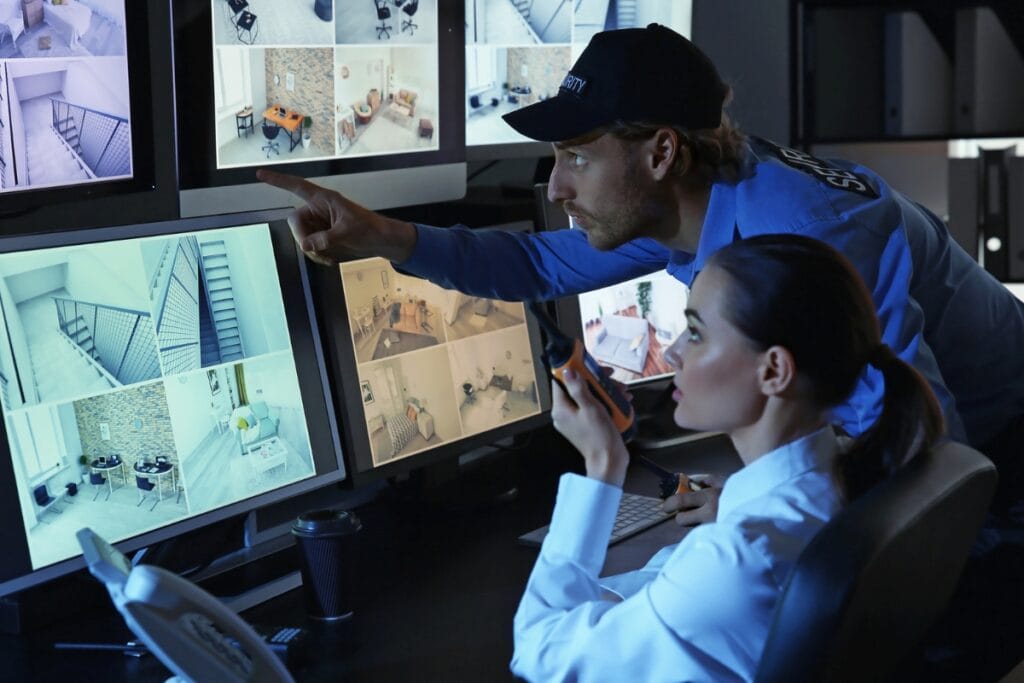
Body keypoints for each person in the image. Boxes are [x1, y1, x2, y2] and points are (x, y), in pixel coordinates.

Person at [257, 24, 1024, 523]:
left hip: (1003, 450)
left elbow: (926, 446)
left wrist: (768, 511)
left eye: (577, 157)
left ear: (660, 152)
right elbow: (529, 262)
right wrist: (378, 234)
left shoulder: (810, 238)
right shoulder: (689, 201)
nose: (556, 189)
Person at [510, 234, 943, 681]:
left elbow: (538, 651)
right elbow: (687, 587)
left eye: (695, 332)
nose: (674, 351)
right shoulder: (837, 483)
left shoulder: (737, 558)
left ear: (773, 370)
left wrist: (603, 466)